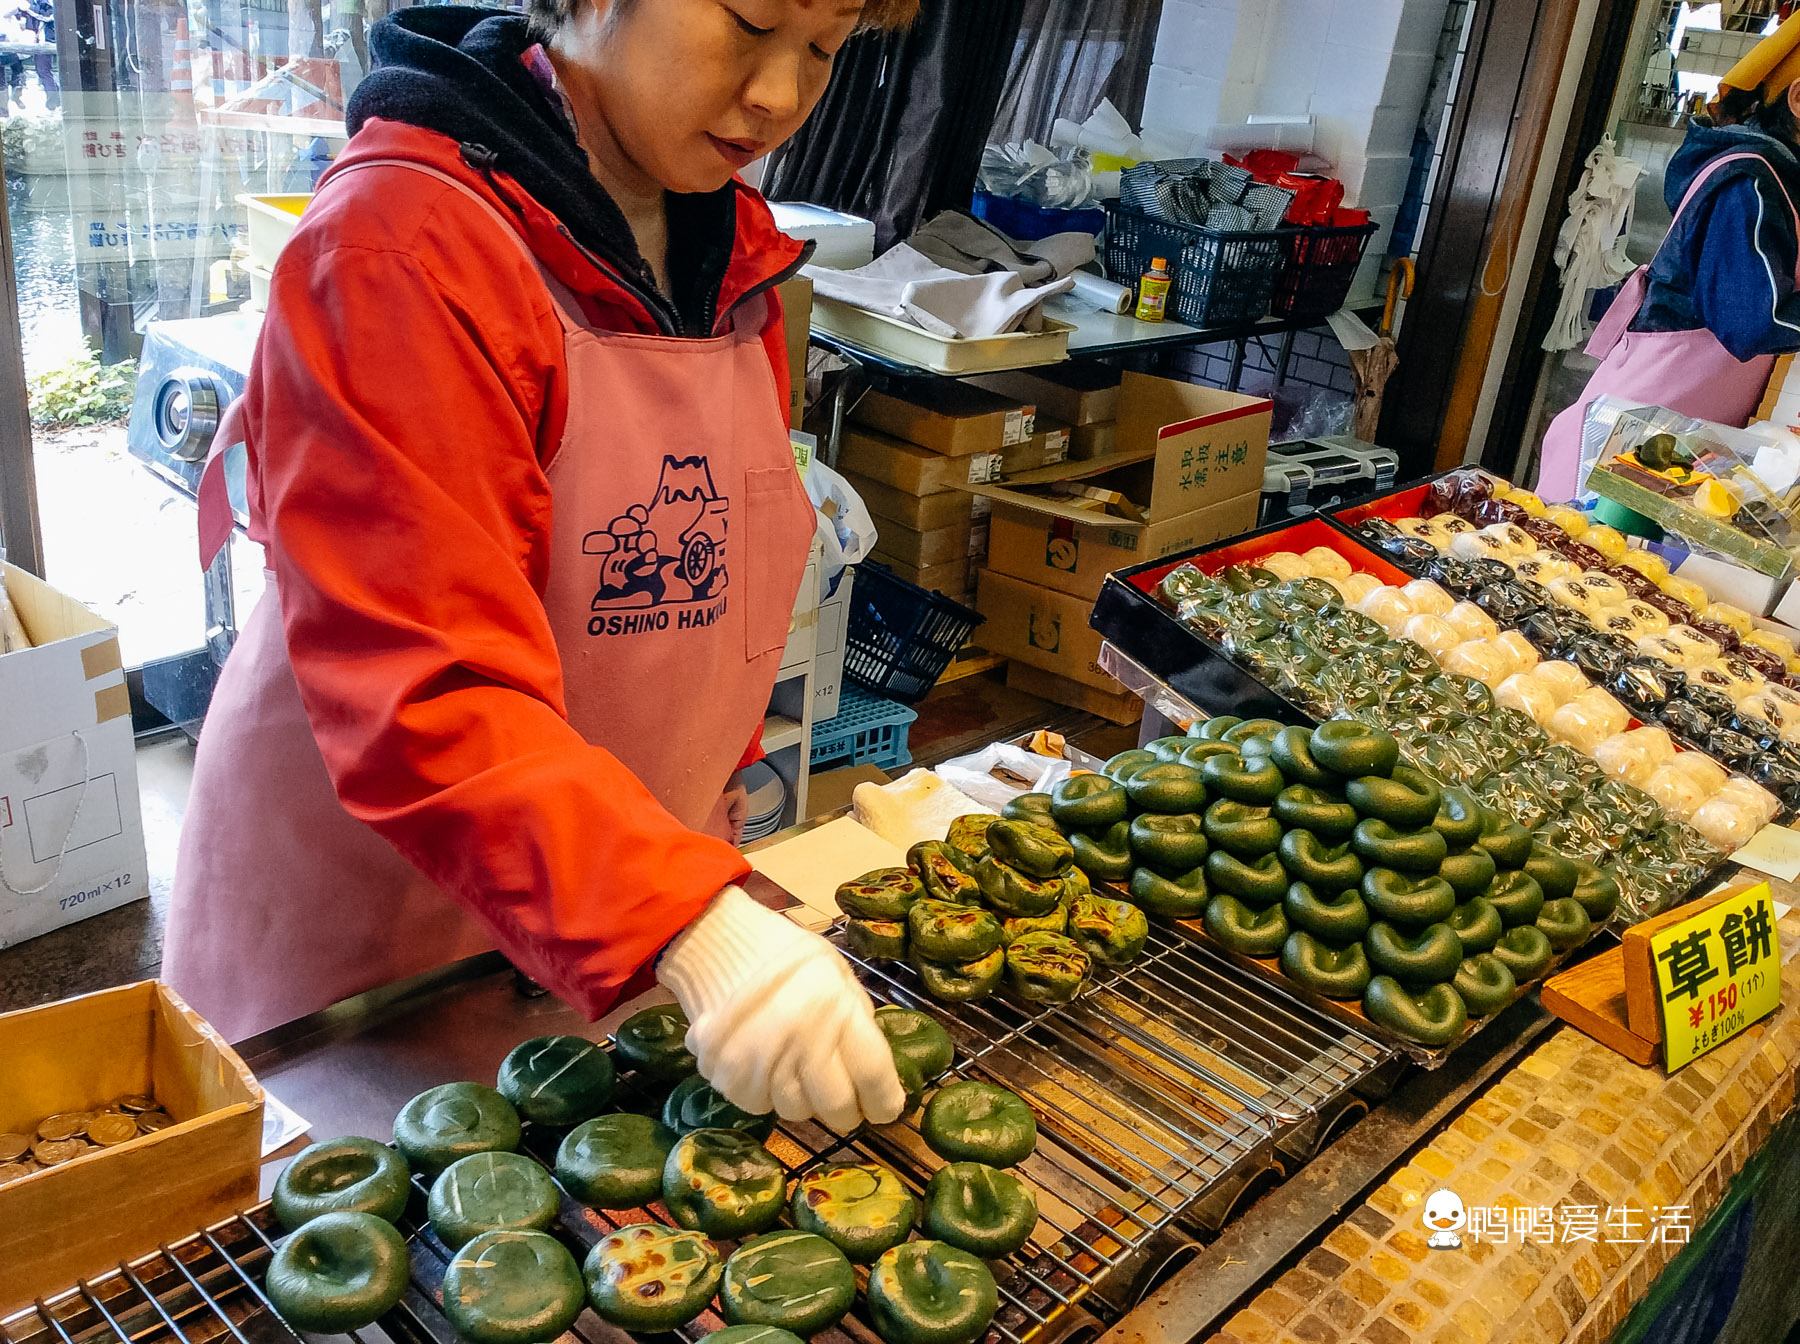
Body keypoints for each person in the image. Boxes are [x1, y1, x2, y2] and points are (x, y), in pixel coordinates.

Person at [163, 0, 913, 1134]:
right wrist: (681, 920)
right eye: (751, 22)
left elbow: (701, 615)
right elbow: (428, 686)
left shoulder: (728, 257)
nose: (780, 95)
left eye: (824, 47)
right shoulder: (402, 246)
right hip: (369, 978)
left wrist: (697, 869)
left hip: (596, 937)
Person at [1538, 14, 1800, 502]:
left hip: (1674, 438)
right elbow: (1752, 321)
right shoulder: (1750, 181)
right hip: (1632, 438)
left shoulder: (1778, 179)